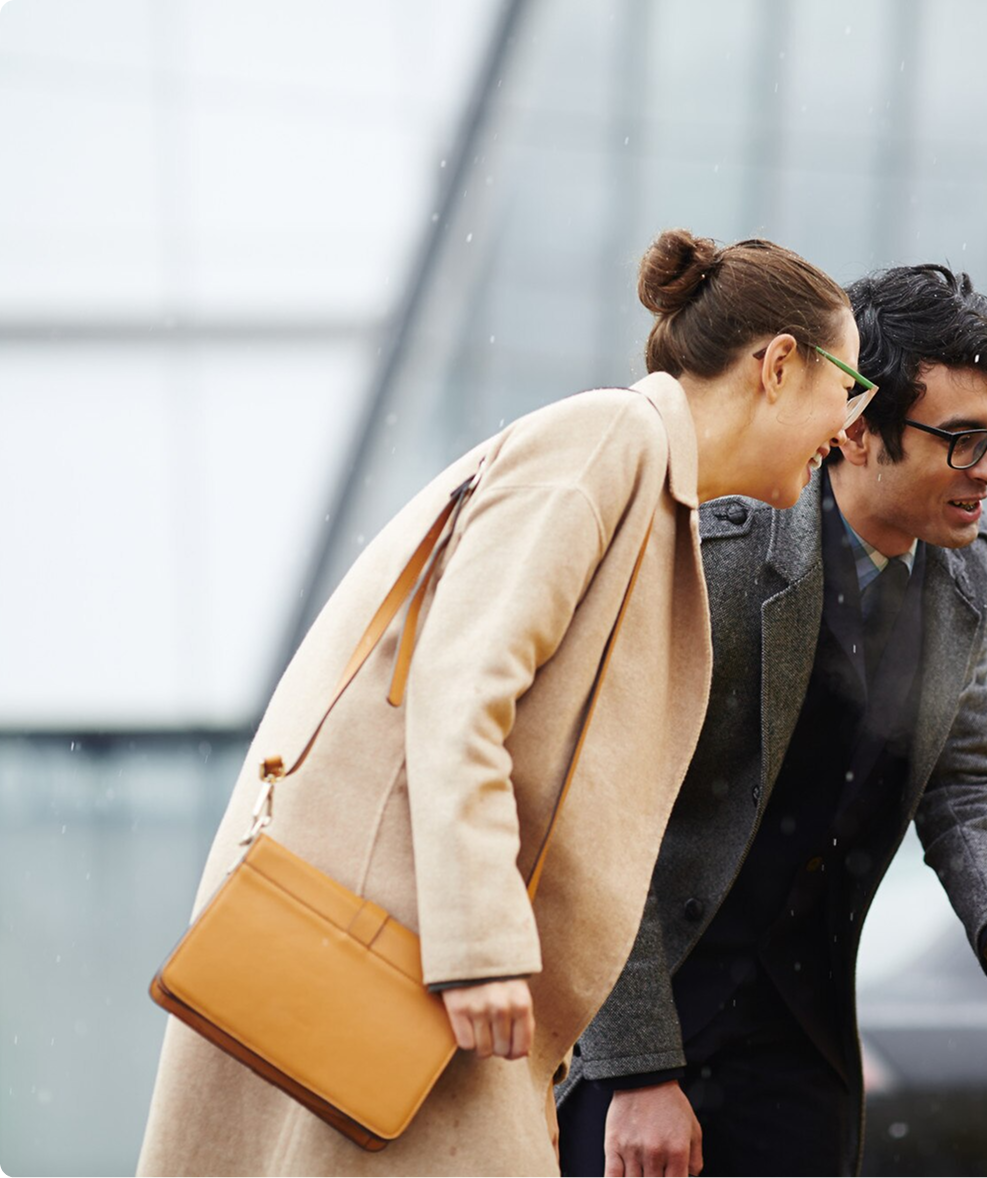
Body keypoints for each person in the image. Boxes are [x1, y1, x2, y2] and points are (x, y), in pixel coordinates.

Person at [135, 229, 876, 1178]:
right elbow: (461, 684)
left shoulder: (655, 487)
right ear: (777, 365)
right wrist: (480, 945)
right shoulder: (611, 439)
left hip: (436, 987)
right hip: (420, 973)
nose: (849, 425)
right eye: (844, 387)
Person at [556, 264, 987, 1178]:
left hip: (805, 1050)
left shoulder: (963, 577)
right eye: (963, 439)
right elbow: (601, 812)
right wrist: (639, 1072)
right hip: (648, 1036)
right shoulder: (725, 558)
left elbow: (962, 771)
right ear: (855, 430)